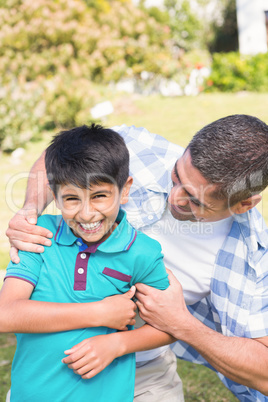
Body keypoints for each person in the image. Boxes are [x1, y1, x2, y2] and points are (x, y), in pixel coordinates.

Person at [6, 114, 268, 401]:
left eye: (195, 200)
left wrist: (180, 324)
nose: (174, 197)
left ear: (244, 204)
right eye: (177, 176)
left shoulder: (254, 260)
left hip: (142, 367)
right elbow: (62, 156)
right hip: (47, 363)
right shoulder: (140, 149)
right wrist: (30, 209)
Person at [0, 124, 177, 402]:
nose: (86, 213)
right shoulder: (38, 237)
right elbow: (6, 315)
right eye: (71, 199)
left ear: (125, 189)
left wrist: (117, 343)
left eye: (99, 196)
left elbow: (170, 325)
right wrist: (98, 313)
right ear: (54, 194)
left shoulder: (142, 252)